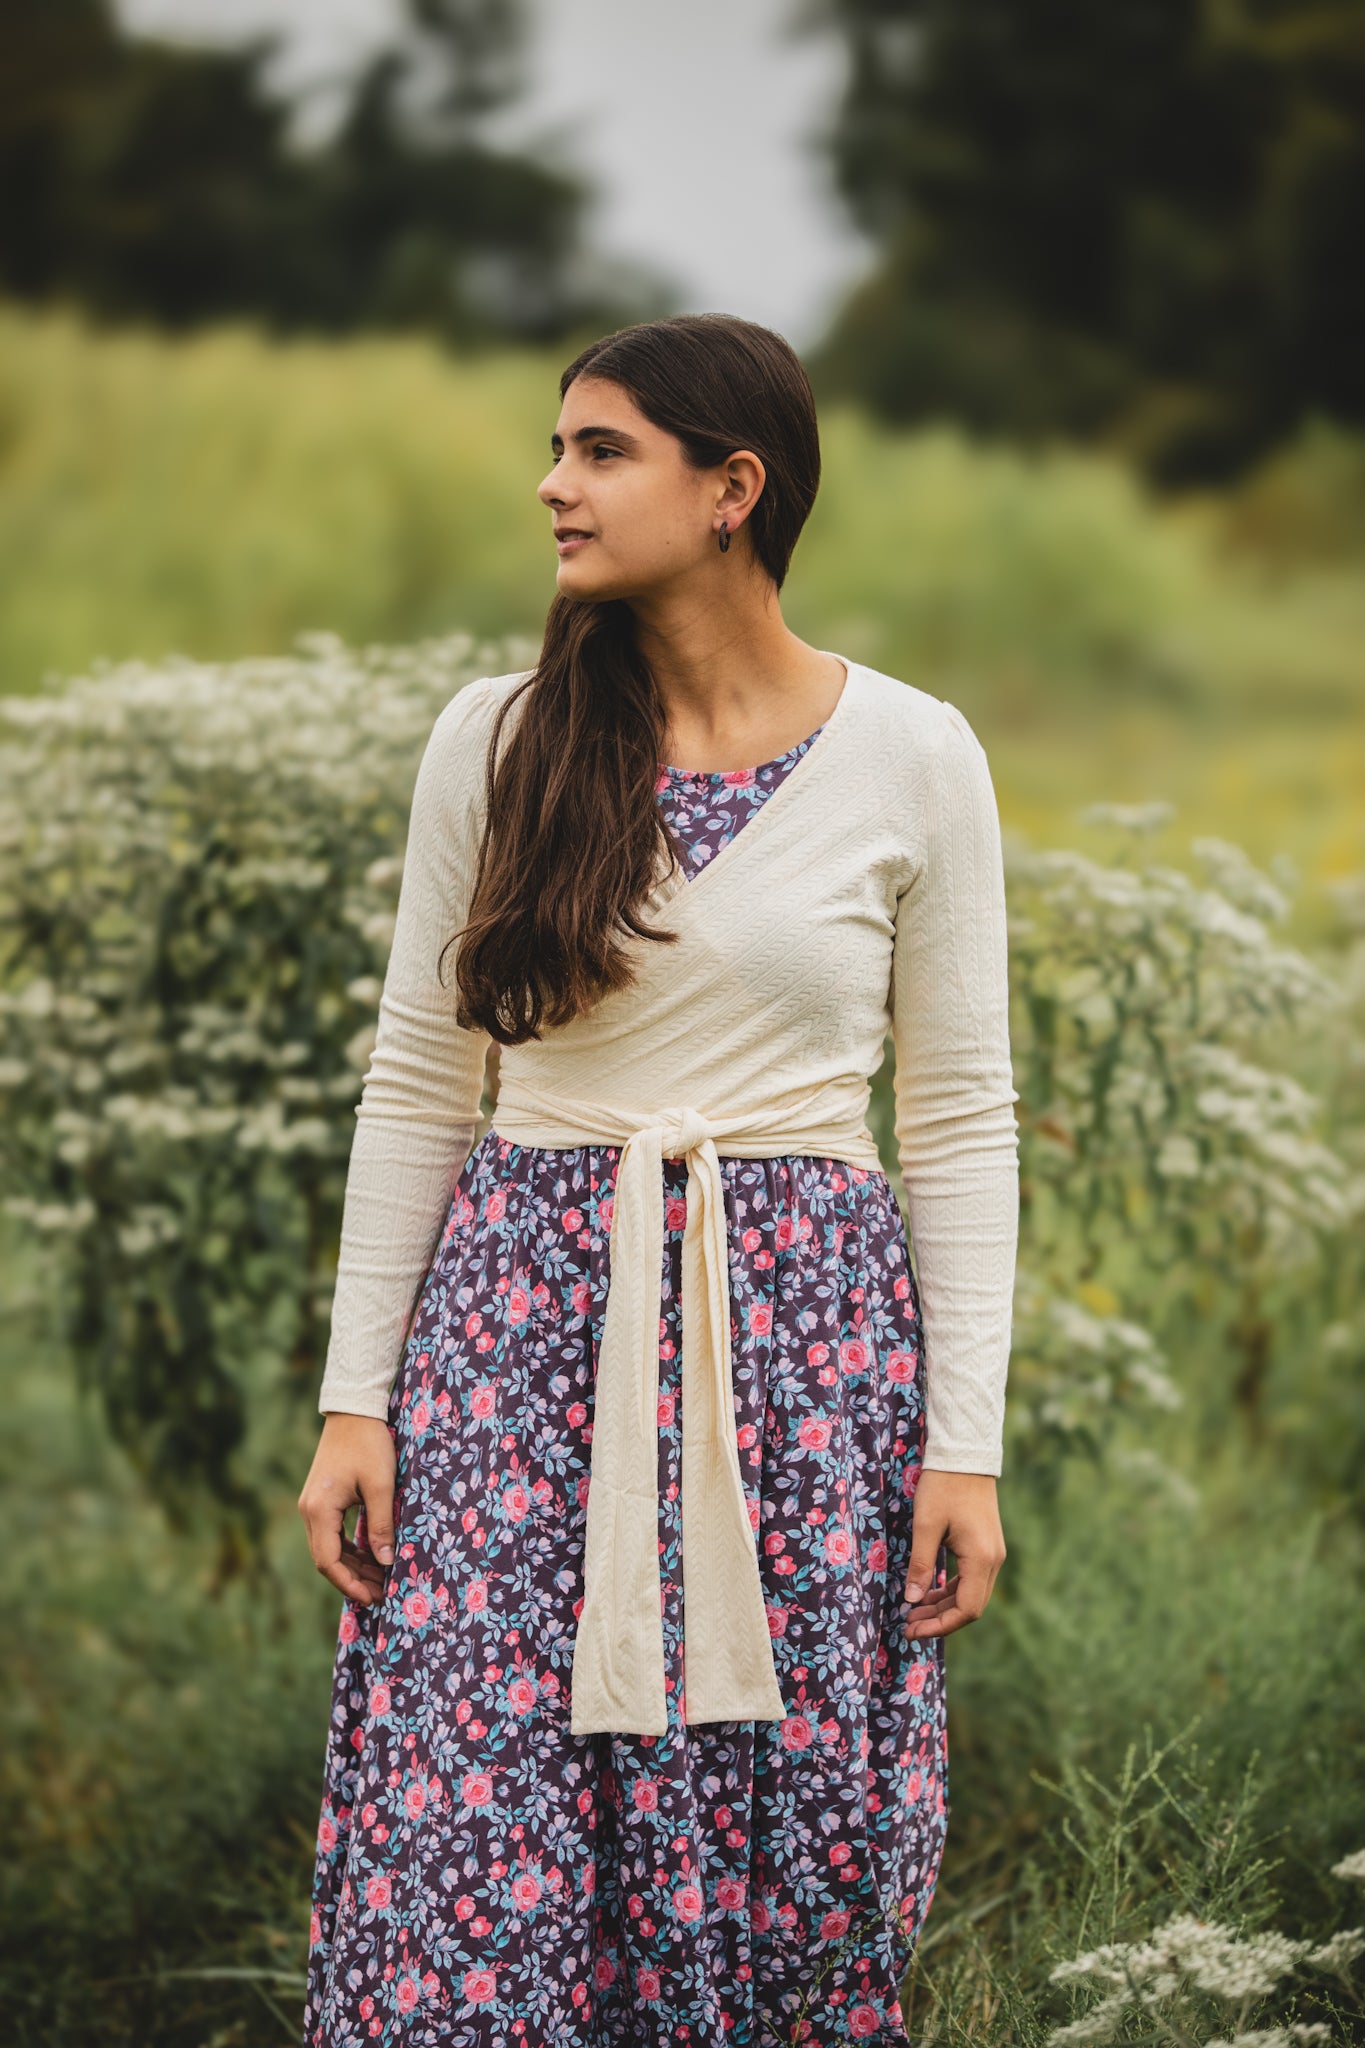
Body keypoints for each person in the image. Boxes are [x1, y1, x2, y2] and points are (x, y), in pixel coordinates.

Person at [297, 311, 1019, 2046]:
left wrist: (964, 1443)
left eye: (600, 450)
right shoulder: (497, 736)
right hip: (525, 1332)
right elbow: (417, 1081)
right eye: (555, 448)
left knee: (781, 1807)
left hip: (808, 1350)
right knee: (481, 1788)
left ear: (731, 490)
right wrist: (354, 1400)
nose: (551, 486)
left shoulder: (914, 754)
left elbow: (961, 1113)